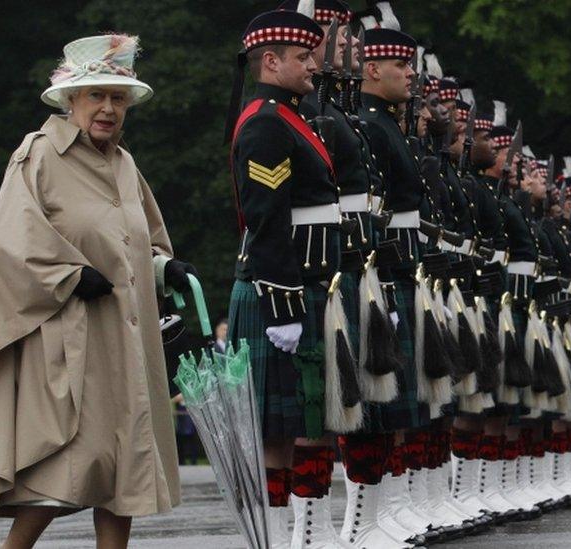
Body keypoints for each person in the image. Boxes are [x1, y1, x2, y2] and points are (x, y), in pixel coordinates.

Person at [0, 33, 196, 548]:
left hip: (126, 342)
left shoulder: (126, 165)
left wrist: (163, 269)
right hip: (70, 344)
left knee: (123, 477)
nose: (108, 108)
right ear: (71, 99)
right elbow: (4, 244)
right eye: (96, 95)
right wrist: (66, 274)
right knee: (64, 472)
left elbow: (139, 242)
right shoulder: (39, 156)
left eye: (118, 97)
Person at [224, 8, 337, 547]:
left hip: (302, 284)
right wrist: (285, 306)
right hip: (280, 290)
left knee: (302, 424)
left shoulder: (290, 116)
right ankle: (271, 539)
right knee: (276, 431)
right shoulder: (268, 123)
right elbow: (266, 216)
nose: (314, 64)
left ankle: (303, 535)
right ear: (270, 61)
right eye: (302, 56)